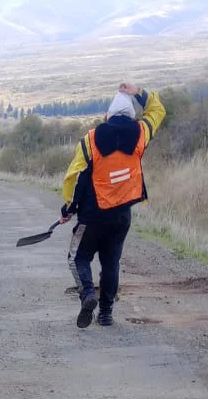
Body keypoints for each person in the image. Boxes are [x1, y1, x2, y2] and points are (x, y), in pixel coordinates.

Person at [60, 83, 166, 328]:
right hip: (122, 216)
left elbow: (74, 176)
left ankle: (88, 294)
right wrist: (139, 92)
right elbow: (157, 110)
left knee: (77, 258)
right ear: (132, 115)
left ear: (107, 116)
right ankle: (106, 314)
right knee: (111, 263)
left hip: (93, 216)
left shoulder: (90, 140)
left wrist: (68, 207)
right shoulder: (141, 133)